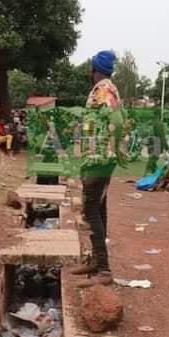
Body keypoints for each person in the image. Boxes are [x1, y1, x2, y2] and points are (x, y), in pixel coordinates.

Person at [70, 50, 126, 288]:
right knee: (98, 208)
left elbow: (117, 120)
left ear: (94, 70)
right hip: (98, 156)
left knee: (90, 208)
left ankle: (104, 269)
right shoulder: (107, 88)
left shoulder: (103, 89)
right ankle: (96, 261)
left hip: (99, 159)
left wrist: (109, 146)